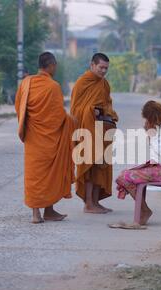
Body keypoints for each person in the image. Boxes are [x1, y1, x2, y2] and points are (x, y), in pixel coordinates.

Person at [15, 52, 76, 224]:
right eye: (55, 65)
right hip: (50, 140)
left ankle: (43, 212)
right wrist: (72, 121)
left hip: (33, 139)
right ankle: (42, 212)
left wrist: (28, 124)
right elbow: (58, 116)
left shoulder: (26, 83)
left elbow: (19, 106)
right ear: (51, 65)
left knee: (35, 175)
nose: (55, 68)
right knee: (51, 174)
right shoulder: (53, 86)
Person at [115, 101, 161, 226]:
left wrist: (151, 134)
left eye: (148, 119)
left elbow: (160, 154)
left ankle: (145, 211)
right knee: (124, 174)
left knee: (124, 177)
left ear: (154, 117)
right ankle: (144, 210)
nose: (148, 123)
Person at [70, 53, 119, 214]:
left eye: (106, 68)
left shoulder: (104, 84)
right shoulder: (82, 83)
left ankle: (96, 202)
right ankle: (88, 204)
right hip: (86, 130)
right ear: (92, 65)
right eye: (101, 67)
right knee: (89, 167)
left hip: (102, 130)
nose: (104, 71)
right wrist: (92, 111)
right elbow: (75, 110)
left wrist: (108, 112)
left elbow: (108, 104)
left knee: (101, 166)